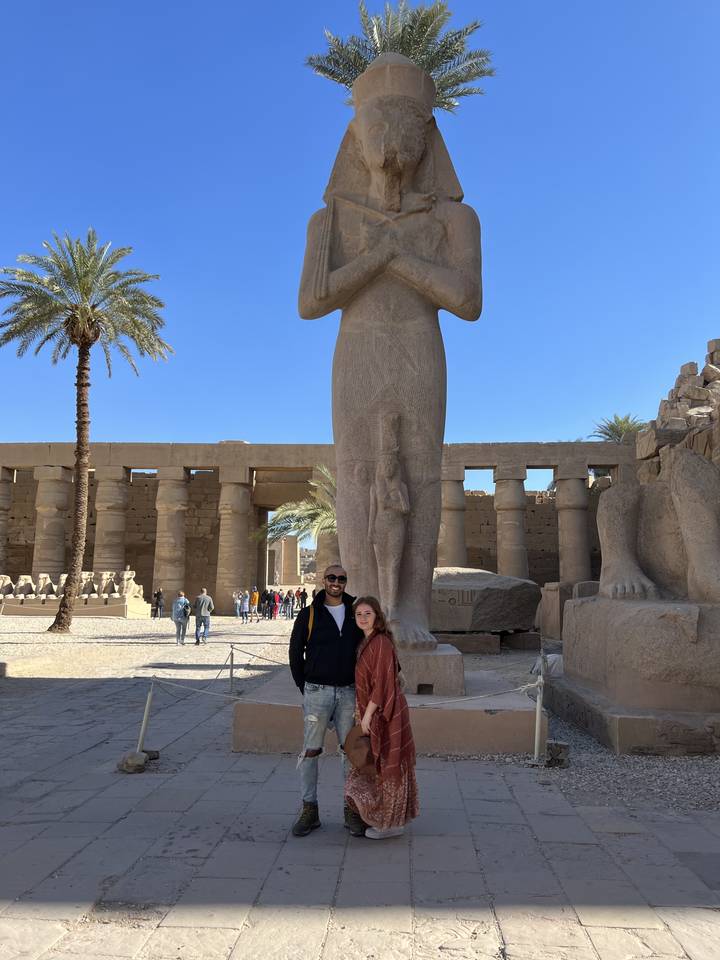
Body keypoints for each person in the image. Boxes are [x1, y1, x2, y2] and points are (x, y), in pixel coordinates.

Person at [288, 565, 363, 837]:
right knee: (310, 752)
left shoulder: (356, 610)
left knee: (351, 753)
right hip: (317, 690)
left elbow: (372, 643)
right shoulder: (309, 613)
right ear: (324, 581)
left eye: (341, 579)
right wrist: (304, 685)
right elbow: (295, 651)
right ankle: (309, 809)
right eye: (332, 578)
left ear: (345, 582)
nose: (336, 583)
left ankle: (351, 811)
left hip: (347, 692)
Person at [345, 596, 418, 839]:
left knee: (389, 763)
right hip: (372, 712)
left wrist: (366, 717)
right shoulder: (366, 642)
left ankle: (391, 823)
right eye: (359, 614)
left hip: (386, 712)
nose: (363, 618)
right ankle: (382, 817)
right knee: (373, 766)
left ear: (377, 616)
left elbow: (383, 685)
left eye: (368, 613)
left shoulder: (382, 643)